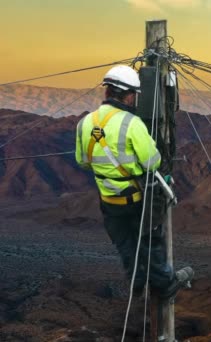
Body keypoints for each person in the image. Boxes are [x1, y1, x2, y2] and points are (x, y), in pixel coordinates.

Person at [75, 65, 193, 298]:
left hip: (108, 199)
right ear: (130, 95)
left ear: (107, 92)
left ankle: (137, 282)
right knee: (150, 241)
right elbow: (152, 162)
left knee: (125, 244)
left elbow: (83, 161)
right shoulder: (132, 123)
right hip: (136, 198)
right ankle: (163, 285)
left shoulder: (85, 123)